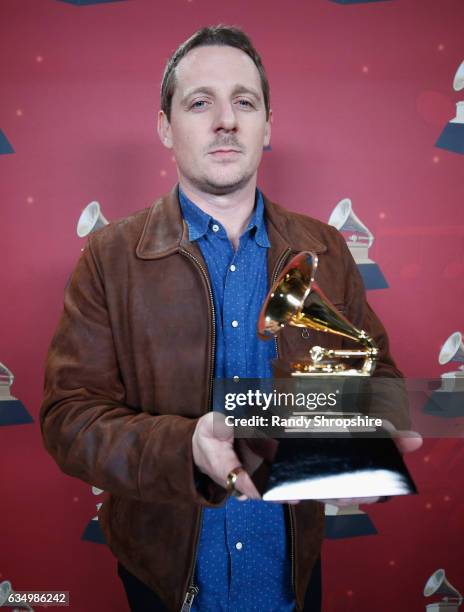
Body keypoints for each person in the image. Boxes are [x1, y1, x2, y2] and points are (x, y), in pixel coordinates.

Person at [40, 25, 421, 612]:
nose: (226, 120)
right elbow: (69, 419)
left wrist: (371, 437)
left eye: (244, 101)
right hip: (164, 582)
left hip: (291, 578)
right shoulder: (107, 258)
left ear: (268, 124)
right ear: (165, 127)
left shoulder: (324, 248)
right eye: (200, 103)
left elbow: (377, 380)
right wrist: (186, 446)